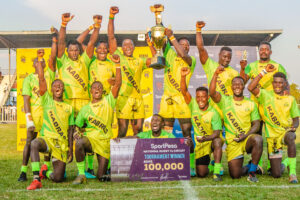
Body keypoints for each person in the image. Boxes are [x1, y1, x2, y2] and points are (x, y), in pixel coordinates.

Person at [72, 54, 122, 184]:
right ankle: (82, 174)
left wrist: (117, 65)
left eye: (100, 87)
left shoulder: (108, 101)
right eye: (95, 87)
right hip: (91, 140)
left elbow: (118, 84)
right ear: (90, 91)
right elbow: (78, 125)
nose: (97, 89)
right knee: (79, 143)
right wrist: (77, 132)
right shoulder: (85, 109)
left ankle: (107, 170)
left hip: (104, 141)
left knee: (101, 177)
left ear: (103, 90)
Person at [26, 58, 74, 190]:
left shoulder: (69, 107)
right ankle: (36, 179)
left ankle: (45, 172)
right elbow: (41, 80)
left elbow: (70, 130)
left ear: (63, 90)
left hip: (61, 144)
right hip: (47, 139)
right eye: (55, 86)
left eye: (60, 86)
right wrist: (41, 61)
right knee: (34, 143)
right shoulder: (46, 100)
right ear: (51, 89)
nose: (58, 87)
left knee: (58, 178)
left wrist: (70, 148)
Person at [209, 66, 263, 182]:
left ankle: (252, 173)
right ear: (231, 87)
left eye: (240, 84)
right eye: (235, 84)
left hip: (246, 138)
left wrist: (246, 135)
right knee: (235, 174)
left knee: (258, 139)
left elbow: (256, 124)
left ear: (243, 86)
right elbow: (212, 93)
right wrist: (215, 74)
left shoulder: (250, 103)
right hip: (233, 142)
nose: (237, 86)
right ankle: (250, 166)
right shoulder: (225, 101)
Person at [248, 70, 300, 183]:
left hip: (284, 133)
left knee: (291, 137)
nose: (277, 85)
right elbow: (250, 88)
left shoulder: (290, 99)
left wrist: (294, 127)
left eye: (280, 83)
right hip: (272, 138)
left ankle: (292, 173)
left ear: (285, 84)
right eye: (275, 82)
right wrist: (263, 72)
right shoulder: (266, 95)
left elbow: (296, 119)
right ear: (272, 83)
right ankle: (285, 163)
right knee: (276, 174)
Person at [18, 33, 57, 182]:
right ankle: (23, 171)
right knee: (29, 141)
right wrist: (29, 119)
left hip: (48, 112)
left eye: (42, 61)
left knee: (49, 140)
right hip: (34, 114)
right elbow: (26, 100)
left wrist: (53, 41)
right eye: (37, 61)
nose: (40, 63)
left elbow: (53, 57)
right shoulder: (27, 79)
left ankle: (45, 167)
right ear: (33, 64)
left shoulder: (50, 74)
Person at [108, 6, 151, 137]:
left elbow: (157, 60)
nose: (128, 47)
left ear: (134, 47)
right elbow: (111, 37)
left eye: (130, 44)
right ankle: (119, 157)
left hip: (138, 98)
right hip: (123, 98)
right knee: (122, 130)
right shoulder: (118, 57)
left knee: (139, 131)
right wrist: (111, 17)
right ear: (121, 48)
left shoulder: (140, 61)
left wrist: (151, 44)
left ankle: (139, 156)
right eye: (125, 45)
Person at [180, 67, 223, 181]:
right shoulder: (193, 104)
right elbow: (184, 91)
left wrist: (205, 138)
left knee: (218, 141)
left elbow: (217, 133)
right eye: (198, 97)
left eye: (203, 96)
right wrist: (183, 76)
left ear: (208, 97)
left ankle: (217, 171)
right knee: (202, 174)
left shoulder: (214, 113)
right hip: (201, 144)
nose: (200, 99)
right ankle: (209, 164)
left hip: (210, 141)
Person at [57, 13, 102, 117]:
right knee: (69, 129)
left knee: (83, 129)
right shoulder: (62, 61)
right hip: (67, 99)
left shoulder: (84, 60)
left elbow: (91, 43)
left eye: (76, 50)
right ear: (67, 51)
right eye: (71, 50)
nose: (74, 52)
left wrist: (97, 26)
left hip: (84, 100)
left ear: (79, 51)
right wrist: (63, 24)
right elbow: (61, 42)